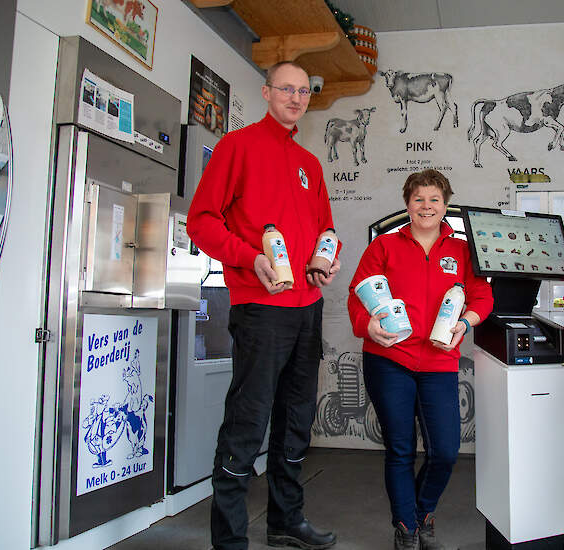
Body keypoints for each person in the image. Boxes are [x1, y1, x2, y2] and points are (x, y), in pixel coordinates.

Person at [187, 61, 339, 550]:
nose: (296, 97)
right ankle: (230, 539)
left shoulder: (310, 165)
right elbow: (202, 222)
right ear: (267, 91)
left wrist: (322, 260)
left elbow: (324, 231)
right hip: (261, 305)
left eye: (303, 91)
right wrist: (250, 258)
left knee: (297, 419)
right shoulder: (238, 146)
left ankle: (285, 520)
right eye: (286, 89)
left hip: (307, 306)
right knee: (249, 421)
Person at [347, 169, 494, 550]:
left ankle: (422, 512)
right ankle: (407, 529)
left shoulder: (462, 250)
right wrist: (368, 325)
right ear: (407, 204)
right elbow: (357, 293)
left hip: (439, 361)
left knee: (445, 451)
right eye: (418, 199)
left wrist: (465, 323)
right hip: (388, 358)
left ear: (445, 204)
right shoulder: (384, 247)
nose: (426, 206)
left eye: (434, 199)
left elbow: (482, 297)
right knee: (400, 448)